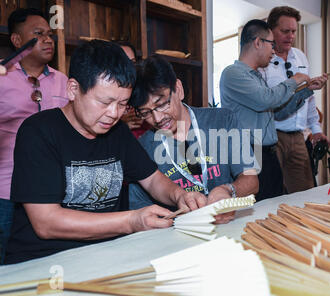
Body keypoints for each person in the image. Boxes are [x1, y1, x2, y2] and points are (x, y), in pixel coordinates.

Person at [5, 40, 207, 265]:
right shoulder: (39, 132)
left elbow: (153, 180)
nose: (114, 113)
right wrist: (131, 221)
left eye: (123, 104)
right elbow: (46, 222)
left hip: (103, 256)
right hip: (42, 261)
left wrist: (181, 195)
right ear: (73, 89)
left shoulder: (117, 132)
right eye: (105, 102)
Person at [129, 55, 259, 224]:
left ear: (178, 89)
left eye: (162, 104)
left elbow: (251, 179)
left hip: (228, 225)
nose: (158, 118)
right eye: (145, 112)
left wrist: (229, 190)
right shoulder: (143, 147)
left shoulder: (223, 121)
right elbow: (140, 210)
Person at [219, 19, 326, 201]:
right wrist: (295, 80)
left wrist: (306, 91)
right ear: (258, 42)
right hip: (251, 155)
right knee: (257, 210)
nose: (274, 51)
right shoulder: (233, 73)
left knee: (274, 205)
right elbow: (266, 99)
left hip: (268, 154)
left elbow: (277, 113)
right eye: (271, 44)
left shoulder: (257, 78)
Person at [0, 8, 69, 264]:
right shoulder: (2, 79)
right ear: (17, 41)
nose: (48, 39)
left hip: (53, 193)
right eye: (38, 34)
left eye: (50, 34)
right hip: (6, 193)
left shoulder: (64, 82)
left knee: (45, 262)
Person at [259, 6, 329, 194]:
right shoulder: (262, 62)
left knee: (304, 191)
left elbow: (309, 97)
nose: (290, 36)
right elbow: (270, 103)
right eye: (285, 31)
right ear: (271, 30)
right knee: (271, 192)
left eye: (294, 31)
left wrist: (315, 130)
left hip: (299, 136)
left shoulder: (300, 56)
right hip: (272, 137)